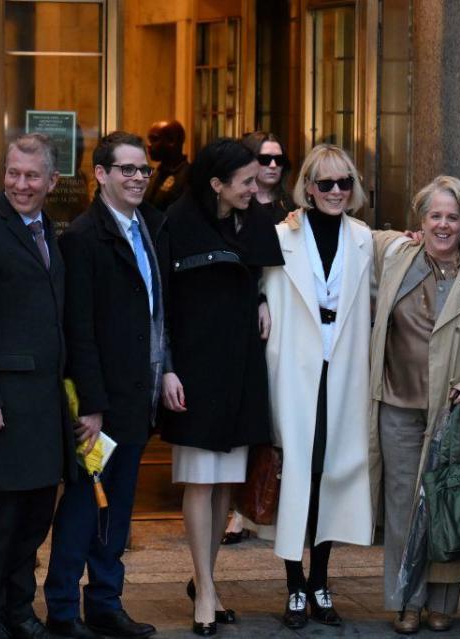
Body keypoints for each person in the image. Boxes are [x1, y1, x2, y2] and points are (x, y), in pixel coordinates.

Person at [43, 131, 180, 639]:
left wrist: (166, 367)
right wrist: (92, 405)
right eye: (126, 169)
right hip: (101, 405)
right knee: (83, 505)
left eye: (143, 169)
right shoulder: (82, 237)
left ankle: (105, 602)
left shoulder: (150, 227)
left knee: (117, 508)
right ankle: (61, 610)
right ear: (100, 174)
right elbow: (78, 329)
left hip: (137, 397)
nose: (138, 177)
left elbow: (157, 313)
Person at [157, 137, 283, 636]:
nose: (257, 187)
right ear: (216, 184)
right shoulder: (177, 223)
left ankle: (204, 579)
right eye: (247, 181)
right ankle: (206, 590)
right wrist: (166, 367)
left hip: (240, 367)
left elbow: (264, 274)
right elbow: (160, 303)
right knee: (200, 478)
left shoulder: (253, 220)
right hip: (193, 368)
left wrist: (261, 299)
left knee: (225, 483)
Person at [0, 133, 77, 639]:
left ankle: (20, 611)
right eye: (12, 173)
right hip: (2, 405)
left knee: (34, 517)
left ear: (52, 181)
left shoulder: (49, 230)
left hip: (45, 405)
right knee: (0, 521)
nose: (19, 184)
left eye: (31, 176)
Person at [263, 144, 374, 630]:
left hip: (343, 370)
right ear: (307, 186)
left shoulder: (365, 238)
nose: (335, 192)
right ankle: (293, 584)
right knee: (297, 478)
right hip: (295, 371)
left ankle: (321, 580)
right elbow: (258, 288)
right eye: (325, 183)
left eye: (343, 183)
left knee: (333, 475)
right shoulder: (280, 236)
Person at [368, 176, 460, 634]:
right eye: (434, 215)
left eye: (452, 217)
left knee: (444, 503)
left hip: (450, 409)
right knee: (402, 506)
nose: (442, 225)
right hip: (396, 403)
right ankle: (406, 600)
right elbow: (350, 231)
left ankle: (442, 602)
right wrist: (294, 218)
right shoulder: (397, 255)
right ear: (420, 220)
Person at [221, 131, 292, 546]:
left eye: (278, 159)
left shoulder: (293, 209)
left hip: (282, 326)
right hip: (246, 322)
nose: (271, 166)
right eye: (263, 159)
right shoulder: (234, 208)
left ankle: (264, 502)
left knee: (271, 420)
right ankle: (236, 509)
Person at [241, 131, 292, 223]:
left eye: (279, 159)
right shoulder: (236, 202)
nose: (273, 165)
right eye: (265, 159)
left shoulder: (292, 205)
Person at [145, 120, 190, 211]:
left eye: (154, 139)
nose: (149, 145)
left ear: (171, 141)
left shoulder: (190, 177)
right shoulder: (154, 174)